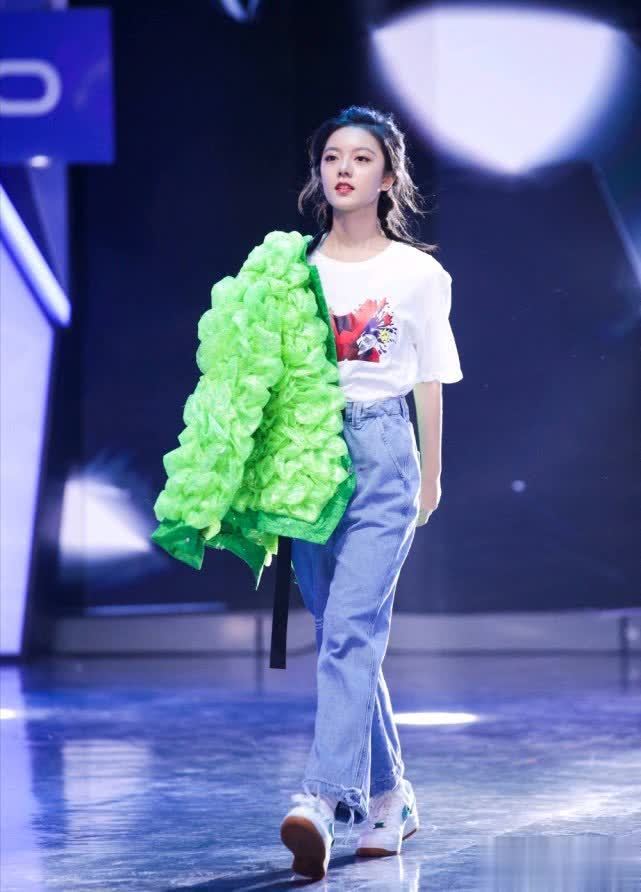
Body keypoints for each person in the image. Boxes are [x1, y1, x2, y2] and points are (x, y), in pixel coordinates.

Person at [279, 105, 463, 880]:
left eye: (360, 158)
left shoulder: (416, 273)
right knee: (340, 636)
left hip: (385, 454)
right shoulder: (292, 269)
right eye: (331, 157)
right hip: (309, 459)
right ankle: (392, 799)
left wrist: (430, 476)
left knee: (350, 632)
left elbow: (430, 378)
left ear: (388, 177)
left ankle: (324, 798)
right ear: (318, 173)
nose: (343, 169)